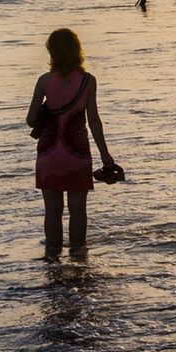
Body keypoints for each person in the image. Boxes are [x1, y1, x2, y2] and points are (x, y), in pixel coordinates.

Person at [26, 28, 113, 258]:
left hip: (49, 153)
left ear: (52, 52)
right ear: (77, 50)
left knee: (52, 211)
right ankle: (78, 258)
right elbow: (94, 121)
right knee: (78, 210)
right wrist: (105, 155)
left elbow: (30, 120)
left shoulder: (44, 81)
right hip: (77, 154)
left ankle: (52, 260)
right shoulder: (88, 81)